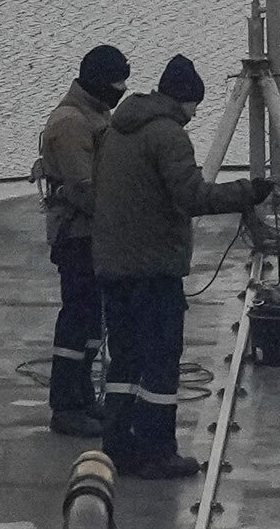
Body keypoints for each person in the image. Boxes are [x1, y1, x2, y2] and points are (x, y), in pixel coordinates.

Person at [85, 52, 253, 477]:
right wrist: (248, 192)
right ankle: (159, 452)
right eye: (195, 105)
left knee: (124, 362)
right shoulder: (169, 136)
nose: (196, 114)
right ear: (184, 100)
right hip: (153, 271)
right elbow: (193, 197)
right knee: (161, 362)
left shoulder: (115, 130)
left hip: (115, 266)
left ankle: (118, 447)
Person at [31, 43, 127, 432]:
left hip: (92, 233)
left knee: (90, 321)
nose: (122, 89)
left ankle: (83, 397)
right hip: (77, 235)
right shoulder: (72, 124)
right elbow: (84, 189)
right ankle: (66, 405)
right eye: (117, 81)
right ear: (100, 82)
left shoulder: (95, 115)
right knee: (78, 317)